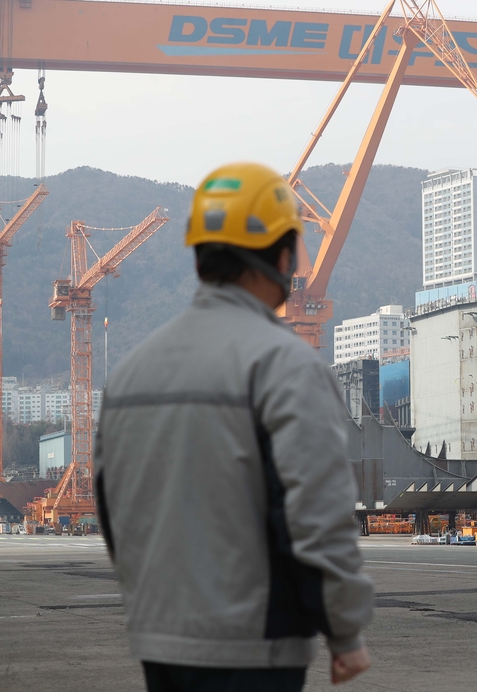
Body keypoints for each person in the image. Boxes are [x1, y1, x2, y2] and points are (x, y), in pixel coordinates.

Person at [95, 163, 374, 691]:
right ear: (285, 255)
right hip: (253, 646)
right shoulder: (286, 366)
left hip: (161, 640)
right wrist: (344, 631)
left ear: (200, 254)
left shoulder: (130, 372)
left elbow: (115, 511)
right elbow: (317, 515)